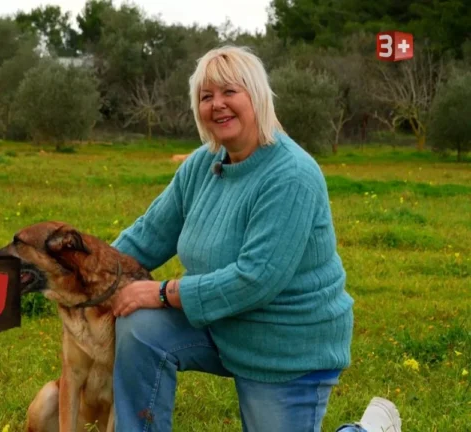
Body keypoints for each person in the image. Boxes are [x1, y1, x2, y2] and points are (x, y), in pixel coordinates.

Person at [108, 45, 402, 432]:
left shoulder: (291, 175)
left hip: (285, 349)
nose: (217, 105)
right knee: (140, 328)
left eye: (230, 92)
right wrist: (83, 272)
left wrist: (161, 292)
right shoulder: (202, 163)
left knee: (147, 305)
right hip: (222, 324)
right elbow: (149, 234)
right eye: (206, 96)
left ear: (257, 97)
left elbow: (256, 278)